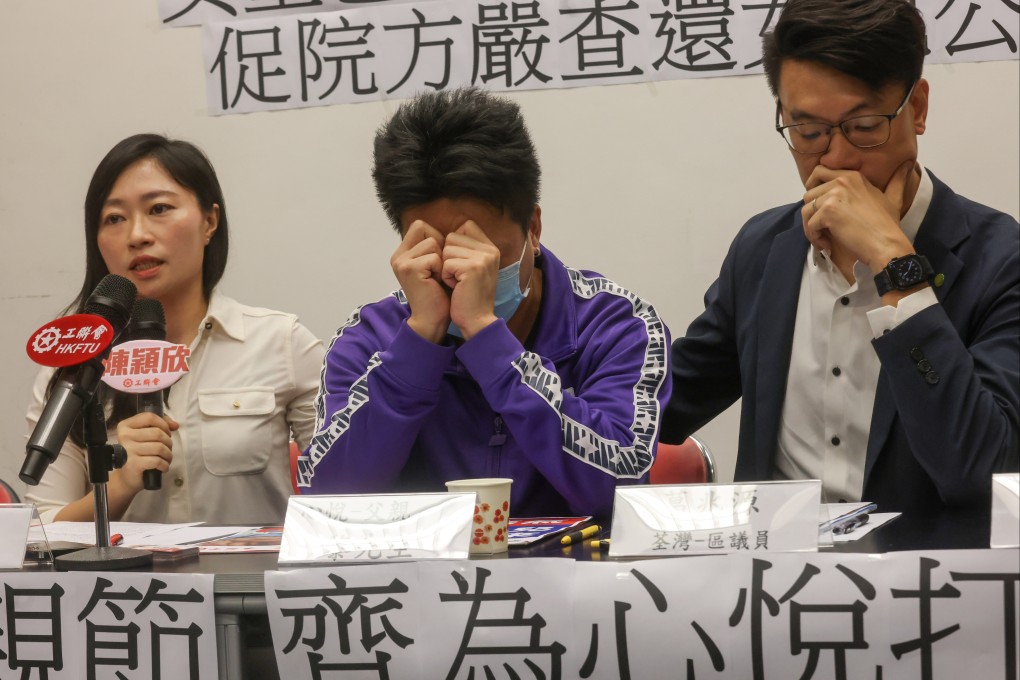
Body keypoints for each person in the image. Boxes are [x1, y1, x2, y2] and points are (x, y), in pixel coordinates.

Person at [661, 0, 1019, 513]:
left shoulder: (1000, 259)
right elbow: (658, 407)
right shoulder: (764, 251)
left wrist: (894, 261)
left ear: (916, 108)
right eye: (808, 133)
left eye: (865, 125)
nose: (836, 158)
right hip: (771, 579)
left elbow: (981, 471)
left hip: (925, 584)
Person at [298, 88, 671, 519]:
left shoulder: (616, 323)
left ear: (533, 227)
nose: (463, 274)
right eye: (440, 254)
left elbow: (619, 489)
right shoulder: (370, 337)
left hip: (577, 580)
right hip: (420, 583)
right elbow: (330, 500)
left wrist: (488, 338)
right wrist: (419, 343)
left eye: (484, 253)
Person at [25, 134, 324, 524]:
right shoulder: (73, 368)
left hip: (251, 582)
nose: (137, 235)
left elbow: (345, 491)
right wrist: (119, 486)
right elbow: (43, 535)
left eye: (159, 209)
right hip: (129, 588)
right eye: (114, 218)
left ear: (209, 222)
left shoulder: (281, 342)